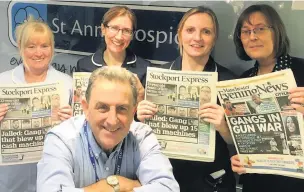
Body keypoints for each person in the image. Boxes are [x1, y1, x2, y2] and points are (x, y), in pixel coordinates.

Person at [137, 6, 236, 191]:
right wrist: (139, 118)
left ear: (214, 39)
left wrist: (224, 127)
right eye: (190, 30)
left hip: (211, 182)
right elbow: (137, 137)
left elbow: (240, 144)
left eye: (206, 32)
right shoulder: (155, 77)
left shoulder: (228, 81)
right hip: (163, 178)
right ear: (179, 35)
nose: (197, 38)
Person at [37, 67, 179, 192]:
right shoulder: (61, 139)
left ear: (133, 111)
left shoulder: (142, 136)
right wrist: (121, 185)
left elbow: (168, 188)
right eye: (103, 108)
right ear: (85, 108)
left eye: (122, 109)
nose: (112, 120)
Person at [230, 4, 304, 192]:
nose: (252, 37)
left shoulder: (301, 70)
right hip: (256, 183)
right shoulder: (242, 80)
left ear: (276, 31)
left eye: (260, 29)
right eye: (245, 31)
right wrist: (240, 157)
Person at [0, 16, 73, 192]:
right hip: (12, 176)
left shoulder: (67, 83)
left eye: (44, 46)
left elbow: (82, 137)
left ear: (52, 48)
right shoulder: (2, 82)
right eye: (31, 46)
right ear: (20, 48)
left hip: (54, 172)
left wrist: (72, 122)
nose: (38, 53)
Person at [76, 6, 150, 103]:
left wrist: (141, 97)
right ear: (103, 29)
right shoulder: (84, 65)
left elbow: (142, 114)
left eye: (126, 31)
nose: (119, 37)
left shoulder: (144, 68)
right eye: (114, 28)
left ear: (132, 35)